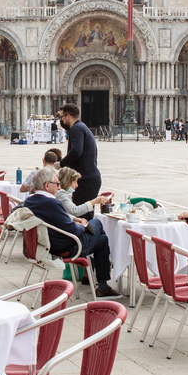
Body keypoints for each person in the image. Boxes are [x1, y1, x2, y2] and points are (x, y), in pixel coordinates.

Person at [22, 169, 120, 298]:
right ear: (47, 185)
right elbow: (73, 230)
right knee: (97, 223)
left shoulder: (30, 201)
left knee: (102, 239)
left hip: (45, 245)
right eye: (57, 184)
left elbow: (59, 218)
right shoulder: (51, 203)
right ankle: (104, 282)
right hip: (66, 248)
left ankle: (102, 286)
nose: (59, 187)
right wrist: (84, 226)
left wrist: (75, 220)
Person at [57, 103, 103, 204]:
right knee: (85, 210)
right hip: (88, 178)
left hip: (85, 180)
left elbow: (76, 151)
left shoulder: (76, 128)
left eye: (62, 117)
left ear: (68, 116)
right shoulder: (82, 127)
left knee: (82, 212)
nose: (62, 120)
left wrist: (61, 163)